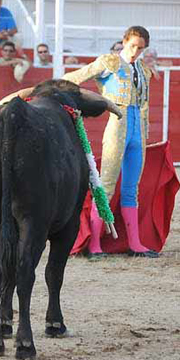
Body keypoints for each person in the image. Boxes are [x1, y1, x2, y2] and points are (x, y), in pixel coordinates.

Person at [61, 25, 159, 259]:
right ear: (124, 41)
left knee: (130, 189)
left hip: (138, 134)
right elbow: (73, 78)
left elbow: (143, 105)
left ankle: (135, 244)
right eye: (133, 45)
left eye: (141, 48)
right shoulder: (109, 62)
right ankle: (94, 245)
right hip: (116, 130)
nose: (136, 51)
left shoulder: (144, 71)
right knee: (105, 186)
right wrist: (62, 94)